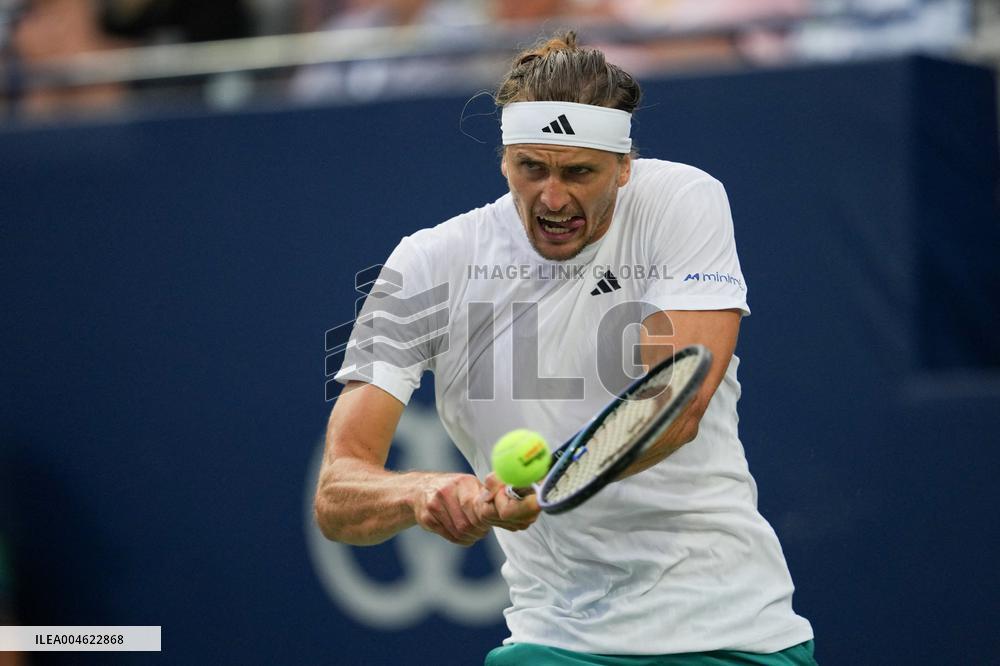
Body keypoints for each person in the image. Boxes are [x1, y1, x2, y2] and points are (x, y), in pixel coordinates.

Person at [315, 31, 816, 665]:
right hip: (556, 639)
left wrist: (548, 484)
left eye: (579, 172)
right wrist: (424, 494)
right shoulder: (425, 264)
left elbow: (675, 406)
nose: (552, 198)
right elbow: (337, 491)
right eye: (532, 167)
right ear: (503, 160)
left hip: (731, 631)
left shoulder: (683, 201)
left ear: (624, 167)